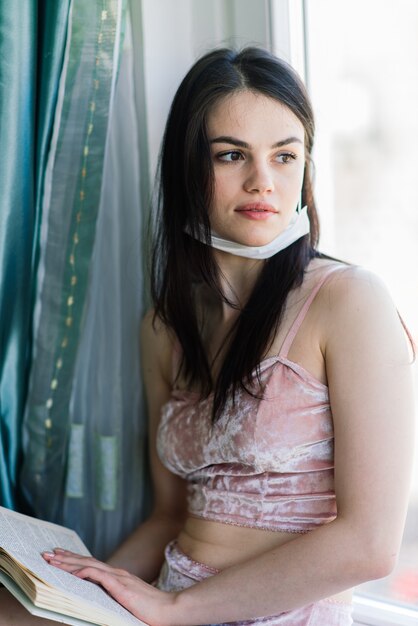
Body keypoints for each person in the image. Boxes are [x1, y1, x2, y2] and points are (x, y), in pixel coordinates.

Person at [0, 46, 415, 626]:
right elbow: (169, 517)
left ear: (305, 169)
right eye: (231, 155)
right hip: (170, 601)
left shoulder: (350, 301)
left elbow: (369, 544)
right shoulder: (164, 327)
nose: (262, 182)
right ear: (187, 169)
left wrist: (177, 609)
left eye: (285, 155)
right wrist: (86, 590)